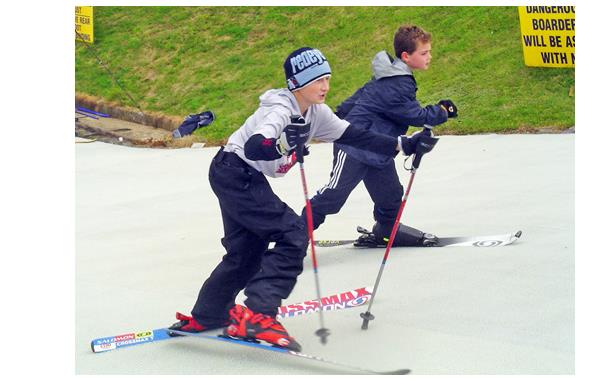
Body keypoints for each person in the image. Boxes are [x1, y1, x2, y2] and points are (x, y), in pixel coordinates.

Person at [169, 47, 437, 351]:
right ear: (297, 84)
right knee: (294, 233)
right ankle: (258, 315)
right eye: (317, 80)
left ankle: (208, 314)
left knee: (246, 251)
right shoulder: (280, 109)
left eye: (327, 79)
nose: (325, 86)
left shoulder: (317, 112)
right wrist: (282, 142)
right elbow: (258, 146)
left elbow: (355, 136)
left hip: (236, 173)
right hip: (236, 172)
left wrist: (405, 143)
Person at [306, 25, 458, 247]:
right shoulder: (397, 83)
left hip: (379, 147)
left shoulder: (389, 74)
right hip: (355, 147)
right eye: (424, 53)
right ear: (406, 56)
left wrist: (340, 113)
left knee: (390, 194)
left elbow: (357, 98)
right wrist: (443, 111)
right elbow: (415, 115)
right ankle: (292, 234)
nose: (429, 57)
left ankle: (385, 231)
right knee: (333, 197)